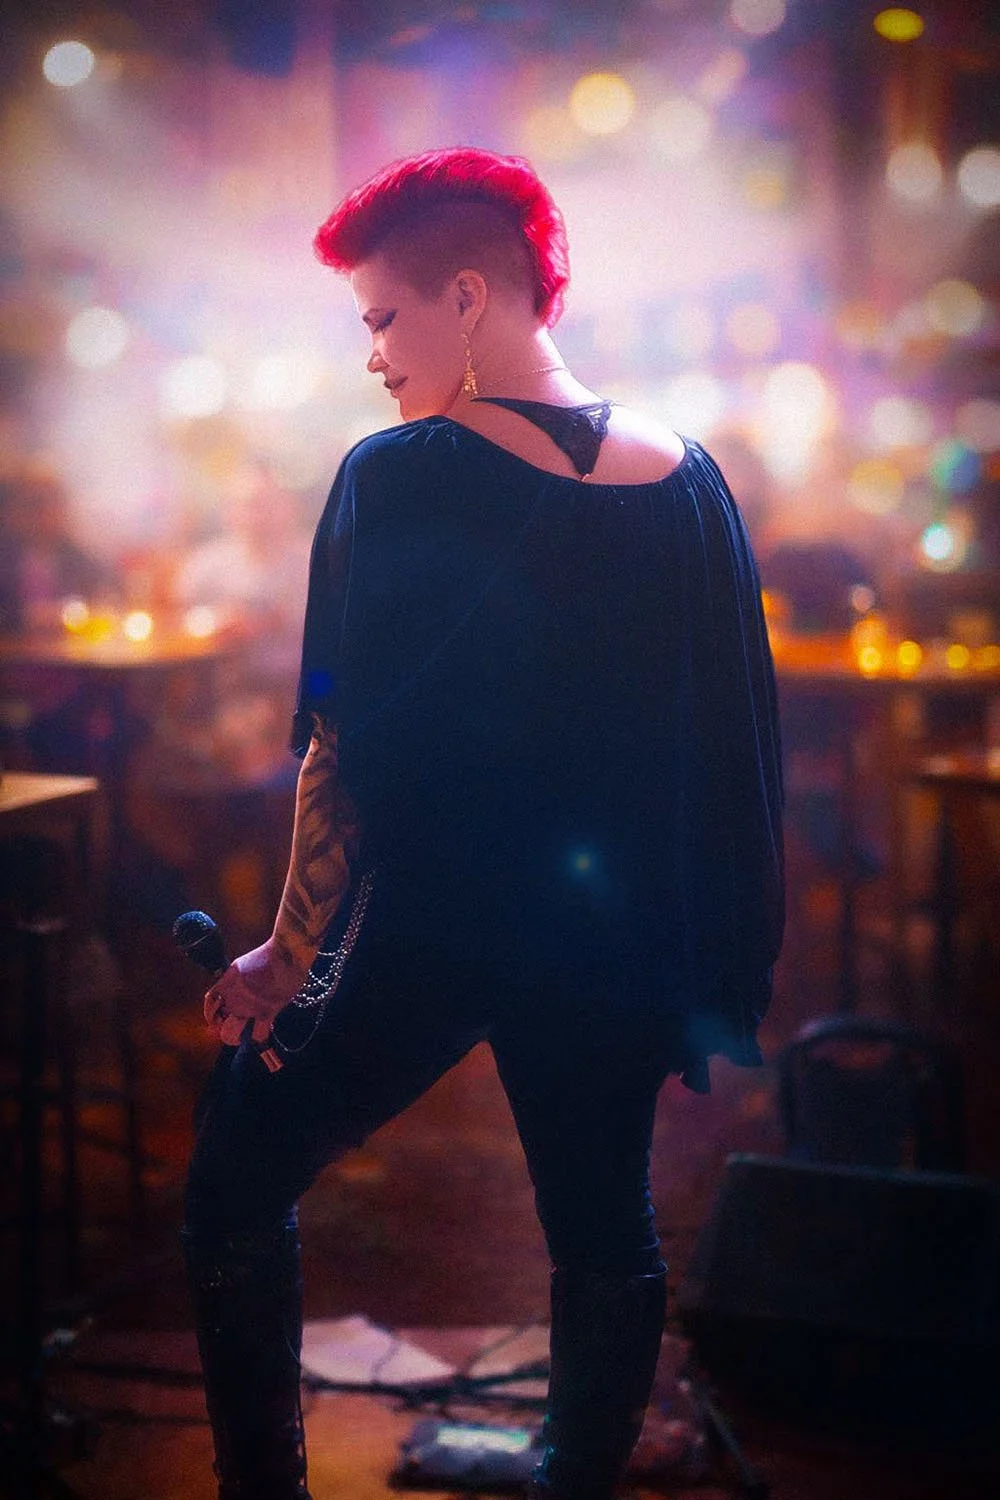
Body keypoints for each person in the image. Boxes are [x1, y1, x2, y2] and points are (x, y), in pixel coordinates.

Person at [181, 147, 784, 1500]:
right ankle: (575, 1479)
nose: (373, 358)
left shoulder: (398, 473)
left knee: (233, 1179)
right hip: (619, 941)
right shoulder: (694, 479)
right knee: (604, 1224)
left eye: (383, 319)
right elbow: (729, 751)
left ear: (467, 297)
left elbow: (340, 744)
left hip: (438, 927)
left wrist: (284, 955)